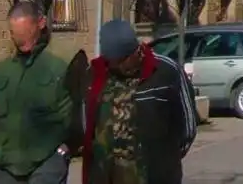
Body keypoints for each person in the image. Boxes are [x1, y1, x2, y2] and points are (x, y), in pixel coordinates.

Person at [0, 1, 87, 184]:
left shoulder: (67, 59)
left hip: (48, 158)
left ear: (41, 23)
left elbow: (81, 106)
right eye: (16, 35)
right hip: (5, 162)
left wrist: (69, 147)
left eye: (26, 33)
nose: (21, 41)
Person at [83, 19, 196, 184]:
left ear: (135, 51)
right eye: (112, 61)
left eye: (122, 60)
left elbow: (188, 127)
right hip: (106, 175)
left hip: (155, 174)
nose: (117, 66)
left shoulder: (166, 71)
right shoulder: (96, 74)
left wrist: (166, 158)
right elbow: (88, 123)